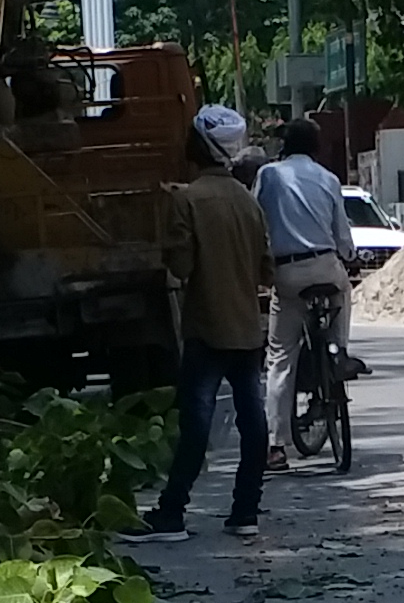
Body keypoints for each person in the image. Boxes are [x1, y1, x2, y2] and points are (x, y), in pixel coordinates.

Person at [132, 119, 273, 540]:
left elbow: (181, 266)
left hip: (206, 326)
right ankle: (245, 511)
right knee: (254, 421)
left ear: (197, 148)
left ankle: (172, 511)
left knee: (195, 424)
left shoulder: (187, 200)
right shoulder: (249, 202)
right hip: (247, 328)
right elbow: (265, 270)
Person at [251, 120, 350, 460]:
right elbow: (343, 238)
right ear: (316, 148)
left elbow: (255, 219)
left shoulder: (269, 175)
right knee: (342, 292)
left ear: (284, 147)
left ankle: (276, 446)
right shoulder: (329, 179)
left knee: (279, 357)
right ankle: (340, 352)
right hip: (325, 264)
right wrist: (346, 256)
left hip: (287, 272)